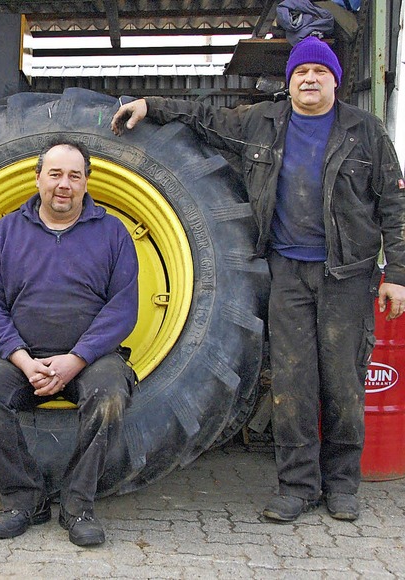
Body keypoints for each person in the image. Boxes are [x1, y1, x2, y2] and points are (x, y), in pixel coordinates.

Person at [111, 36, 405, 523]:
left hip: (346, 276)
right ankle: (297, 485)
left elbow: (395, 207)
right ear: (290, 82)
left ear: (334, 79)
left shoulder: (366, 131)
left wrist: (397, 274)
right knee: (293, 382)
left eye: (319, 71)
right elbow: (202, 118)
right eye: (300, 73)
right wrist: (149, 104)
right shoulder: (261, 122)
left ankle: (341, 485)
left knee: (344, 382)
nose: (309, 80)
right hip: (287, 272)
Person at [0, 137, 139, 546]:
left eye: (74, 176)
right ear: (38, 177)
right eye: (55, 174)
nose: (64, 184)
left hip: (92, 360)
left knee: (110, 395)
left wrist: (76, 359)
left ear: (86, 181)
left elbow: (122, 308)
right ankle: (25, 499)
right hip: (23, 359)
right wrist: (24, 361)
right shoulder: (6, 231)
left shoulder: (112, 232)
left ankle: (78, 507)